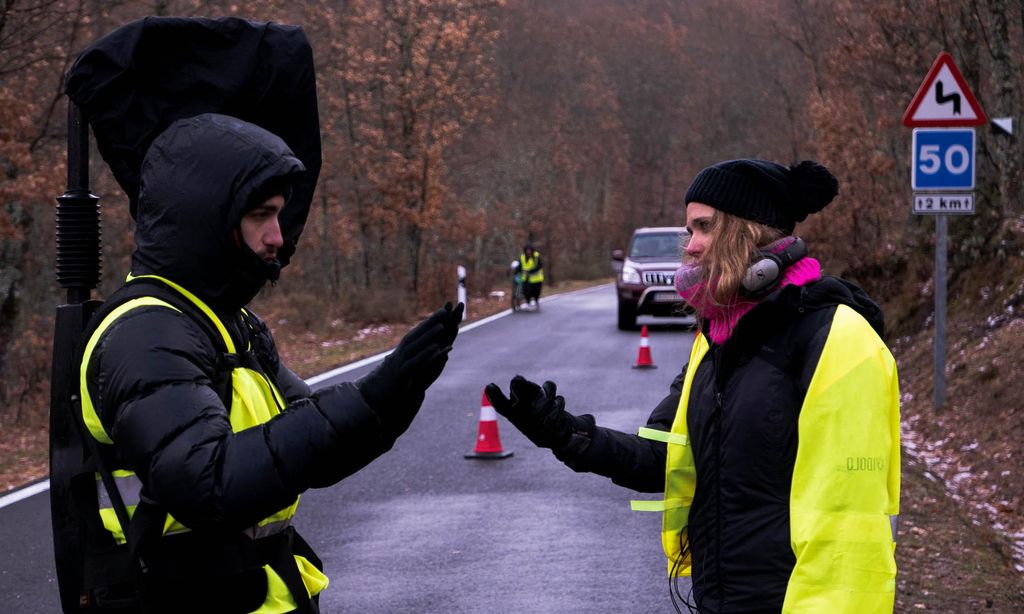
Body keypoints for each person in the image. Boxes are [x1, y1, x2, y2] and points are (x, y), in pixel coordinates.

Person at [77, 113, 463, 612]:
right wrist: (365, 401)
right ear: (206, 216)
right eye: (261, 214)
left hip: (256, 590)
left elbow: (310, 445)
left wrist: (386, 401)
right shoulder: (146, 333)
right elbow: (206, 481)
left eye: (278, 215)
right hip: (179, 595)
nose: (278, 237)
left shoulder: (227, 322)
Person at [486, 159, 900, 613]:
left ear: (750, 233)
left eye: (704, 227)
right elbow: (665, 457)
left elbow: (847, 533)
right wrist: (565, 435)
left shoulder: (837, 340)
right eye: (690, 231)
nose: (691, 247)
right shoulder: (717, 338)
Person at [519, 243, 544, 309]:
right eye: (527, 250)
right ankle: (528, 302)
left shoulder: (536, 256)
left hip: (537, 279)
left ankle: (536, 301)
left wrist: (531, 271)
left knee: (536, 292)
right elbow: (520, 266)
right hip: (526, 278)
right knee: (526, 291)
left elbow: (540, 266)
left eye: (529, 250)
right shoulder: (522, 257)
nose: (528, 252)